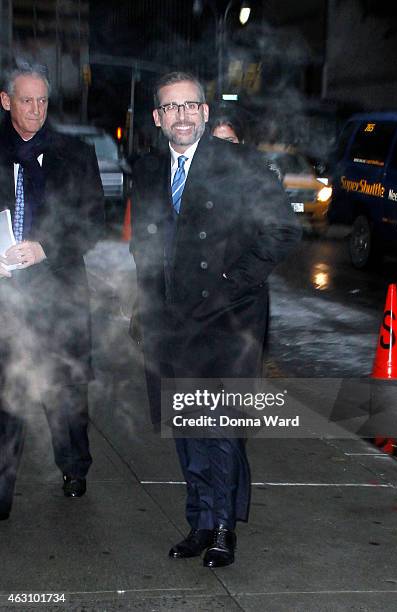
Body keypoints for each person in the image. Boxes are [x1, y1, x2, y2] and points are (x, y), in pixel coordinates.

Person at [129, 71, 301, 567]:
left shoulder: (241, 163)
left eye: (190, 106)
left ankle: (224, 528)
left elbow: (282, 232)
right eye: (171, 108)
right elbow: (144, 242)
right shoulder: (146, 168)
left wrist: (229, 287)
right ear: (159, 119)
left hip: (226, 322)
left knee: (220, 432)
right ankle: (200, 523)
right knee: (185, 428)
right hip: (169, 322)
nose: (181, 116)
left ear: (204, 112)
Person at [0, 60, 104, 520]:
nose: (37, 110)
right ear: (6, 102)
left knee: (63, 389)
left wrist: (46, 248)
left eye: (43, 101)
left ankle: (74, 465)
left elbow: (93, 222)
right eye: (27, 100)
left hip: (59, 292)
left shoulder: (75, 154)